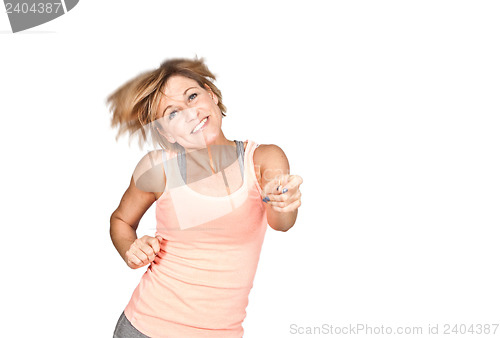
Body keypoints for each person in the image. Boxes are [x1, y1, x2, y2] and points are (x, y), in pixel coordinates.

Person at [107, 57, 303, 337]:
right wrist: (130, 248)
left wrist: (283, 200)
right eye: (172, 113)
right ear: (165, 131)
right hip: (144, 327)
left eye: (192, 96)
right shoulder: (157, 168)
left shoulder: (262, 158)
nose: (190, 113)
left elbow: (281, 222)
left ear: (211, 95)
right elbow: (121, 221)